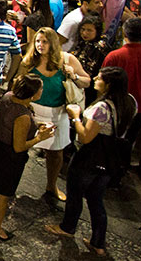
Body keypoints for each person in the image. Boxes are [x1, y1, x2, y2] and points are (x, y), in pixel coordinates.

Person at [45, 67, 136, 255]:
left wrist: (76, 117)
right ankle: (98, 242)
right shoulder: (129, 102)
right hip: (110, 160)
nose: (95, 78)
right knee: (96, 199)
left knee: (76, 193)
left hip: (90, 157)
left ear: (108, 84)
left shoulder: (102, 108)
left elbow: (86, 137)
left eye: (100, 78)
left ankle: (68, 227)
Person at [0, 75, 54, 241]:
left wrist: (36, 124)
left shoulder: (7, 97)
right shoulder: (23, 116)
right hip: (9, 158)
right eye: (40, 89)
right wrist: (40, 138)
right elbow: (19, 146)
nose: (42, 91)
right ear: (33, 95)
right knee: (3, 194)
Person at [19, 27, 90, 202]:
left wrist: (73, 76)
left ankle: (52, 185)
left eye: (44, 41)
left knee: (56, 152)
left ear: (53, 43)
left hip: (58, 113)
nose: (40, 45)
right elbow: (18, 86)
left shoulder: (67, 60)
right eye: (37, 41)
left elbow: (87, 81)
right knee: (21, 148)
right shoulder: (28, 62)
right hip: (33, 111)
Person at [102, 17, 141, 144]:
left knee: (109, 143)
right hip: (140, 109)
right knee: (128, 143)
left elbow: (103, 83)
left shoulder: (114, 56)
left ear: (125, 33)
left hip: (115, 109)